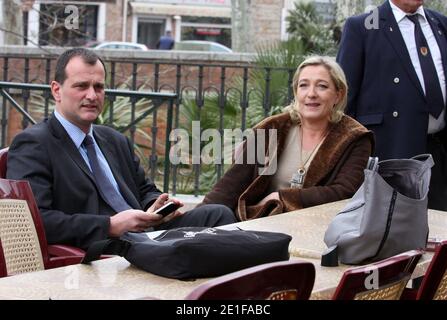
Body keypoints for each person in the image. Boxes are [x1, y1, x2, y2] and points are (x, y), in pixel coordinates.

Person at [6, 48, 236, 250]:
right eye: (81, 86)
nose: (91, 95)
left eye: (98, 87)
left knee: (218, 214)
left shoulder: (113, 140)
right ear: (56, 90)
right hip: (104, 245)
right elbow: (33, 221)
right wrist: (110, 226)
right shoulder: (34, 144)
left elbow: (145, 190)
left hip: (144, 234)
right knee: (196, 248)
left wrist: (156, 206)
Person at [200, 56, 374, 221]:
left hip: (316, 230)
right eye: (303, 85)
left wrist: (281, 196)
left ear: (338, 94)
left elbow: (343, 192)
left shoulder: (355, 137)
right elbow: (230, 186)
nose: (311, 94)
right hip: (257, 224)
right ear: (296, 92)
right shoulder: (272, 128)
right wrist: (195, 217)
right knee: (218, 214)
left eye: (322, 86)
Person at [336, 0, 447, 210]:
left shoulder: (441, 23)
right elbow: (343, 99)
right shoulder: (365, 25)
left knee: (441, 229)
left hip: (439, 153)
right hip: (391, 150)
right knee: (396, 232)